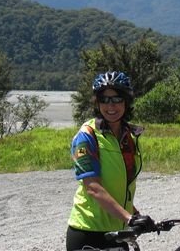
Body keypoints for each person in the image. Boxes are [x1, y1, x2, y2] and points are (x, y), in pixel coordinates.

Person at [66, 71, 154, 251]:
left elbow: (120, 188)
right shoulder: (87, 136)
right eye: (104, 100)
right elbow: (93, 188)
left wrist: (136, 215)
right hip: (89, 233)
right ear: (97, 103)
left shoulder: (128, 137)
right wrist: (129, 218)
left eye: (117, 99)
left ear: (126, 102)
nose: (110, 105)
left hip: (118, 232)